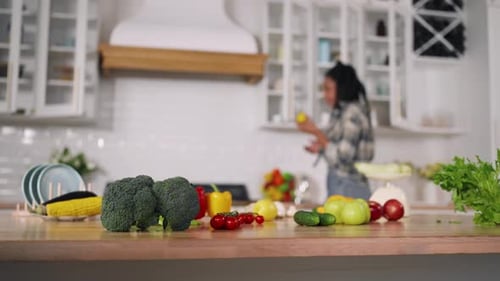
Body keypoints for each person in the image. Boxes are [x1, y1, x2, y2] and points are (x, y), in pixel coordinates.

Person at [296, 62, 374, 199]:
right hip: (342, 184)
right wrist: (320, 147)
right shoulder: (341, 112)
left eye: (328, 89)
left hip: (350, 186)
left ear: (342, 88)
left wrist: (316, 131)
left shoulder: (352, 113)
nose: (325, 95)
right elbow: (337, 148)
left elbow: (344, 156)